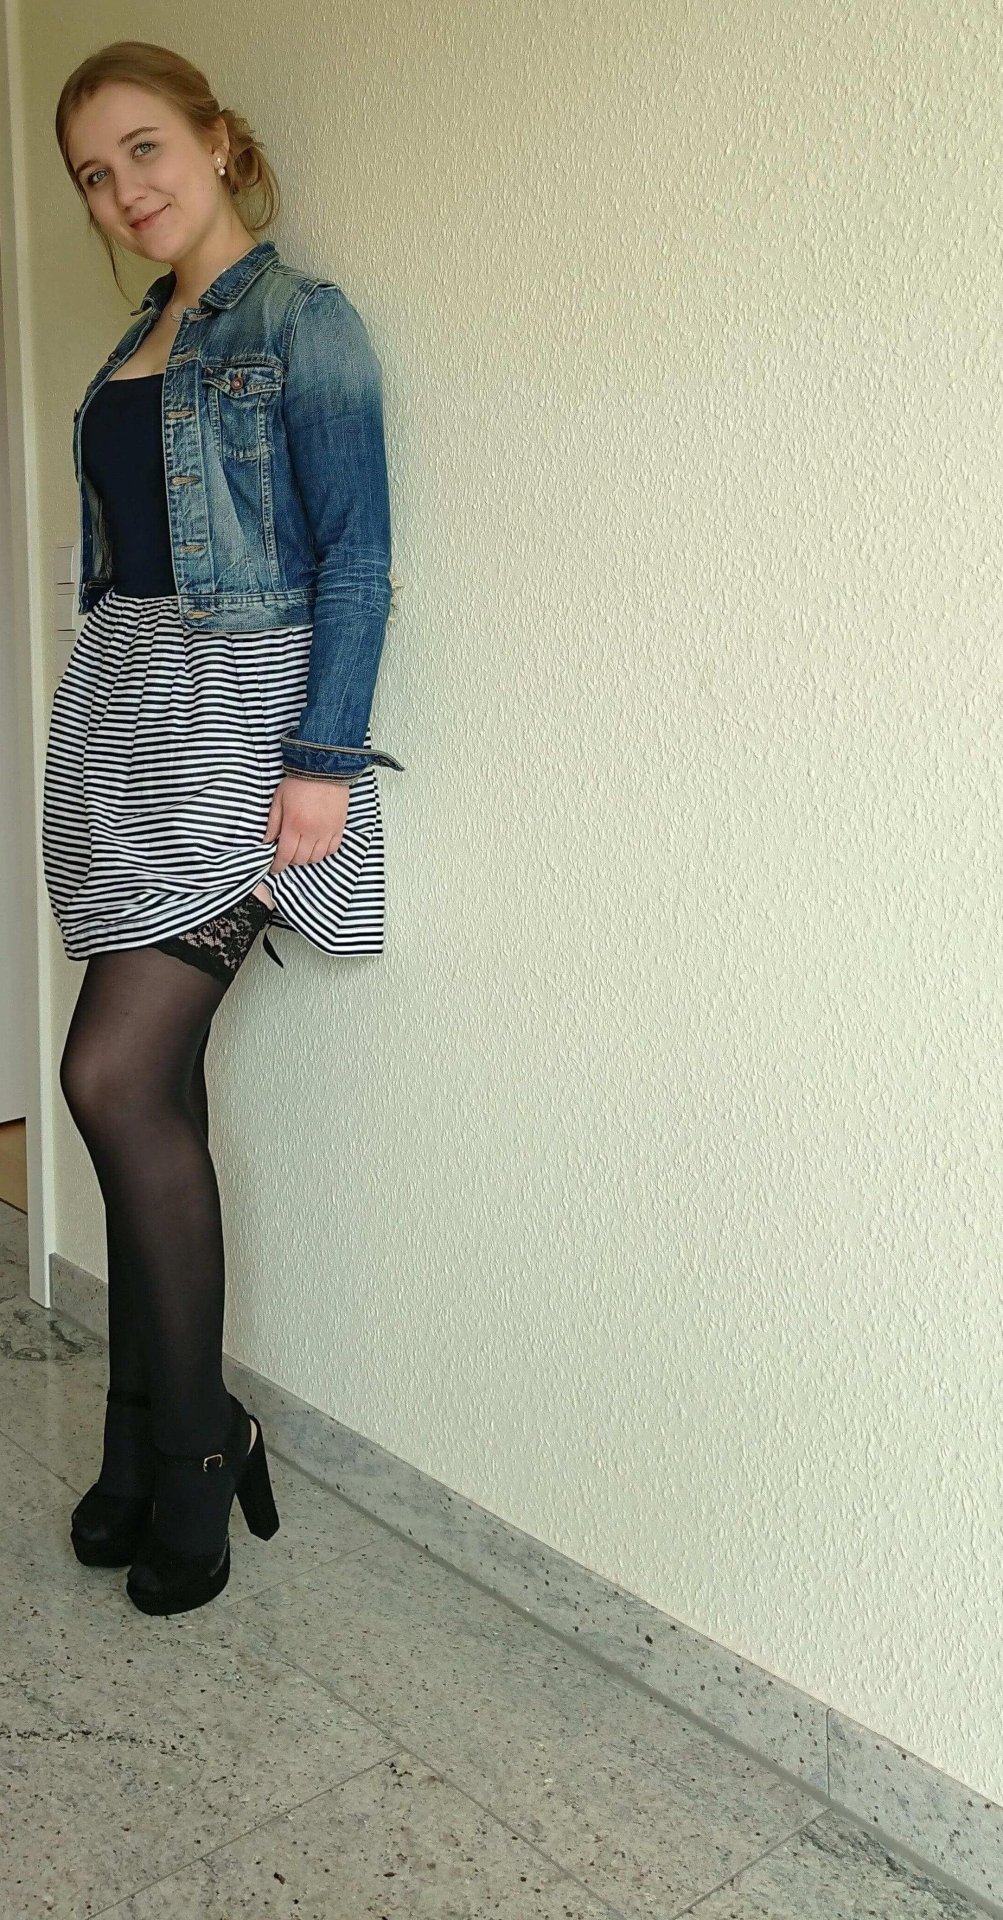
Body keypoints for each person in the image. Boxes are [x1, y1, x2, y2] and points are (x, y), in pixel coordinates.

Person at [42, 40, 404, 1617]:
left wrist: (323, 761)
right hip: (125, 725)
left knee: (108, 1077)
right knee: (158, 1091)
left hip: (243, 732)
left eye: (143, 148)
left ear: (214, 139)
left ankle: (199, 1446)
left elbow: (357, 558)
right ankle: (140, 1438)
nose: (124, 189)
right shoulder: (139, 337)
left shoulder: (301, 322)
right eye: (93, 174)